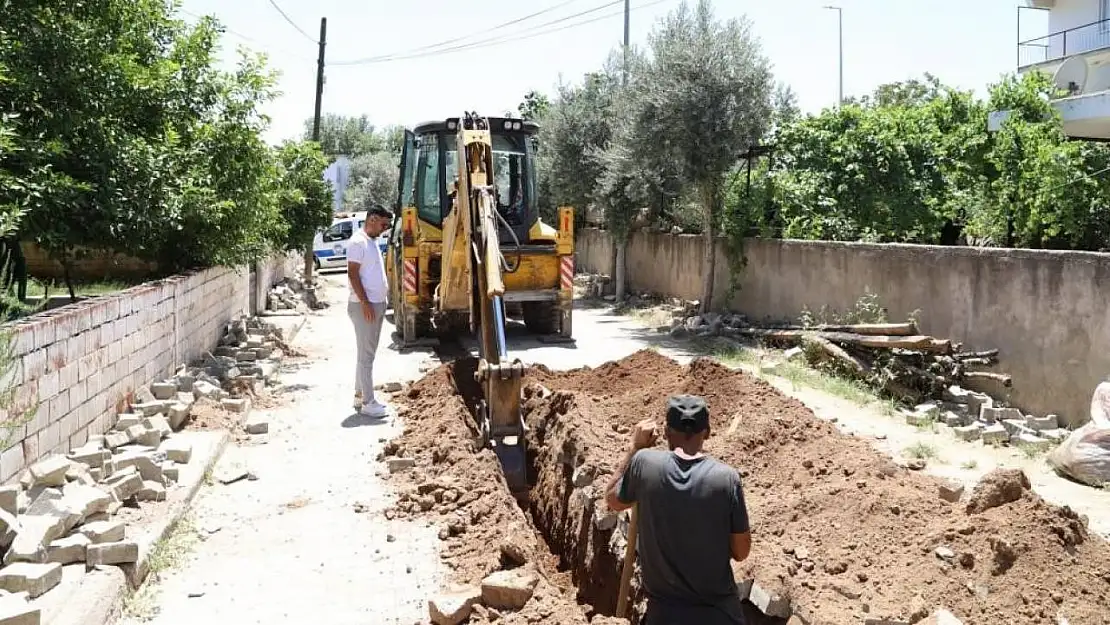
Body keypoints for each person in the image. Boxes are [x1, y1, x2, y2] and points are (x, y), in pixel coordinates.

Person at [605, 395, 752, 625]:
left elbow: (612, 500)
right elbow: (741, 552)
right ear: (708, 432)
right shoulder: (726, 479)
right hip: (720, 616)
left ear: (665, 431)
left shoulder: (644, 464)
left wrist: (635, 448)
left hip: (663, 616)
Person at [347, 205, 393, 418]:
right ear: (372, 219)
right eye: (383, 224)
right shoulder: (358, 242)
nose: (385, 229)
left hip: (374, 303)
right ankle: (368, 402)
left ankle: (359, 395)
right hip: (366, 306)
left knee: (363, 354)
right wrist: (365, 303)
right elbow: (353, 275)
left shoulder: (371, 241)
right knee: (367, 356)